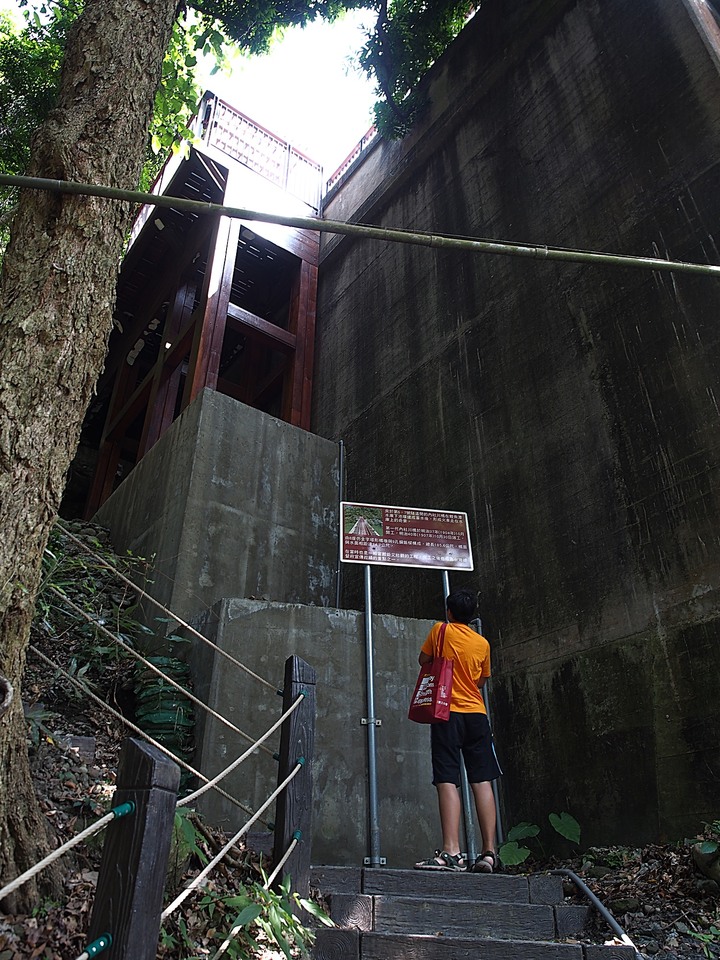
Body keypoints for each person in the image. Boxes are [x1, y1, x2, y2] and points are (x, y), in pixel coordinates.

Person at [414, 588, 502, 873]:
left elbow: (423, 660)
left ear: (449, 612)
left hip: (446, 713)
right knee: (482, 780)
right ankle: (489, 853)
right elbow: (480, 681)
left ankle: (452, 852)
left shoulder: (440, 631)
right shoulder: (482, 644)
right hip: (477, 716)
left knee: (447, 779)